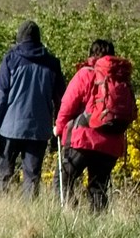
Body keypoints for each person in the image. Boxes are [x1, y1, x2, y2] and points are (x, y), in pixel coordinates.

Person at [54, 37, 135, 211]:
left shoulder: (86, 73)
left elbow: (68, 104)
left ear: (91, 54)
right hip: (112, 143)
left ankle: (68, 217)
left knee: (63, 179)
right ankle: (99, 228)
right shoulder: (122, 77)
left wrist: (59, 129)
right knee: (98, 187)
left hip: (84, 139)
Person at [0, 20, 65, 195]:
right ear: (39, 38)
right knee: (32, 177)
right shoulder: (52, 63)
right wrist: (57, 132)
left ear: (19, 38)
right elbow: (61, 101)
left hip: (9, 129)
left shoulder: (11, 59)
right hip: (39, 131)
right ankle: (29, 216)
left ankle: (0, 212)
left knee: (4, 175)